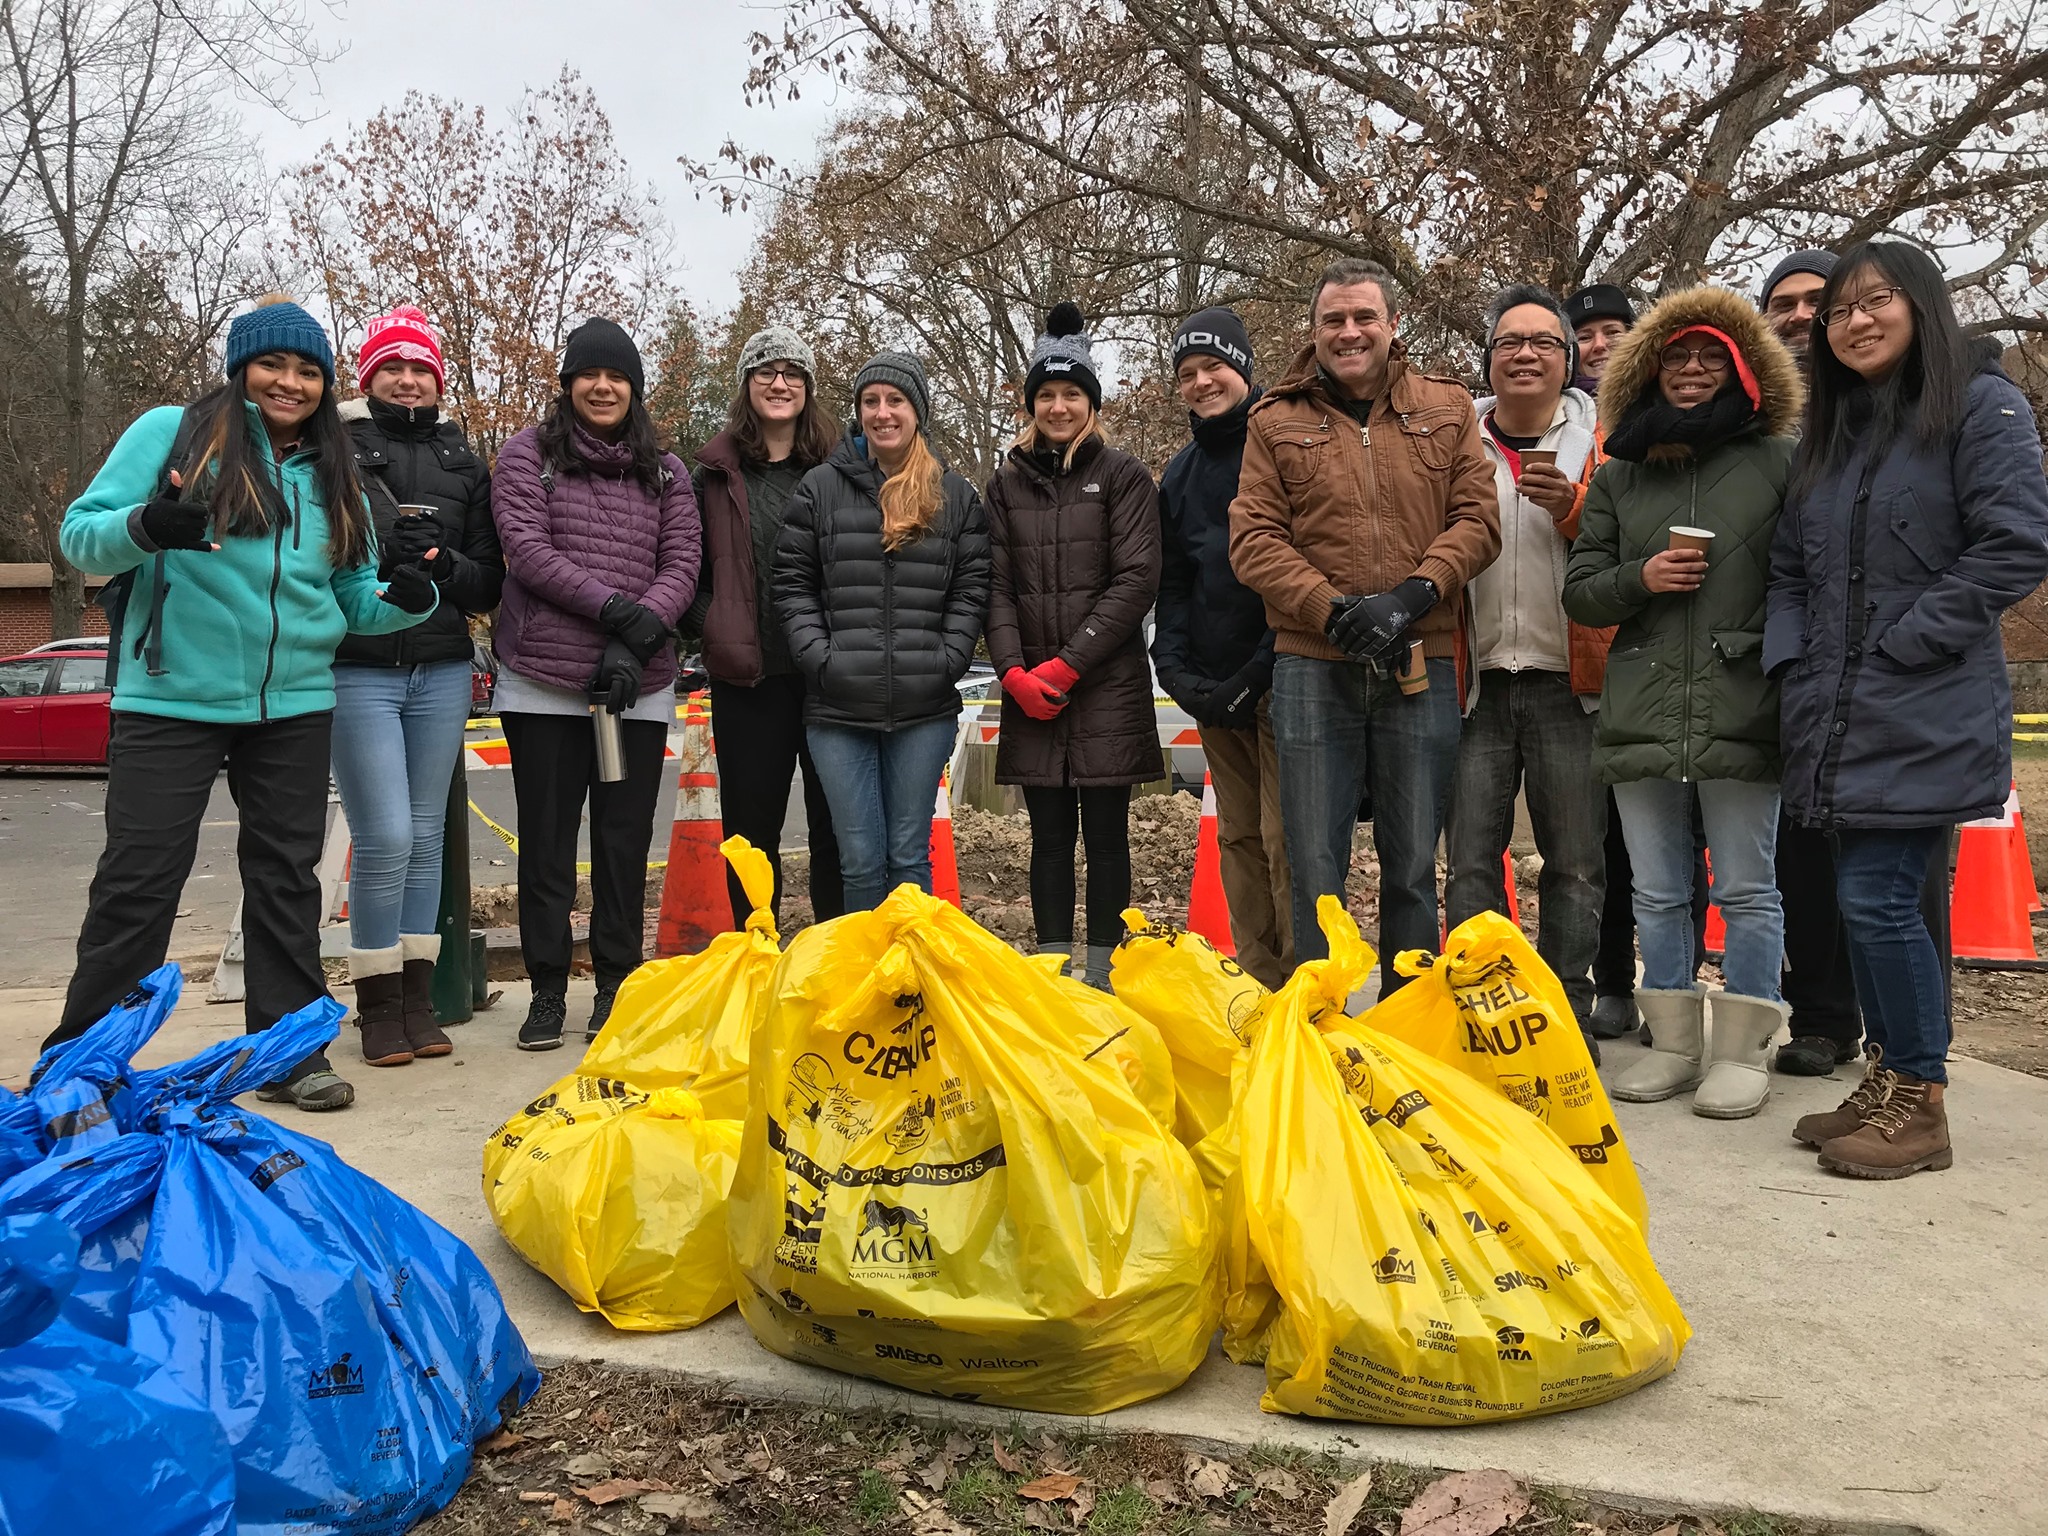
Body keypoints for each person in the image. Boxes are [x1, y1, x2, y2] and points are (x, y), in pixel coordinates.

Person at [47, 295, 437, 1111]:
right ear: (240, 369)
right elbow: (81, 536)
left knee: (286, 880)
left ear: (326, 385)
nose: (289, 383)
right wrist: (147, 525)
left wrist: (406, 596)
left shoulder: (340, 473)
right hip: (170, 699)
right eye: (272, 365)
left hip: (293, 704)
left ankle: (288, 1052)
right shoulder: (172, 434)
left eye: (307, 371)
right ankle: (82, 1065)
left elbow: (354, 598)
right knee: (139, 881)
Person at [1768, 240, 2048, 1176]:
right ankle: (1890, 1080)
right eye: (1841, 309)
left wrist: (1905, 643)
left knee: (1881, 900)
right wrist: (1796, 661)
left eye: (1876, 299)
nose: (1854, 320)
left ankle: (1920, 1101)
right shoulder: (1835, 434)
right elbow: (1792, 570)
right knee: (1865, 902)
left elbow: (2014, 543)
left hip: (1923, 698)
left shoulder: (1979, 405)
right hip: (1834, 705)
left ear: (1922, 305)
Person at [1563, 286, 1802, 1119]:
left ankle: (1744, 1049)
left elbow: (1805, 577)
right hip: (1644, 698)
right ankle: (1672, 1044)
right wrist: (1642, 578)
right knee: (1659, 888)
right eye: (1676, 356)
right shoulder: (1621, 473)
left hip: (1746, 694)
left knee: (1746, 886)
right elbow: (1581, 591)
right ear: (1648, 372)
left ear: (1744, 366)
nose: (1693, 369)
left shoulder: (1782, 459)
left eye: (1711, 355)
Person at [1230, 257, 1499, 988]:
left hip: (1422, 656)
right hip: (1313, 666)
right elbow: (1253, 538)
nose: (1349, 332)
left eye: (1363, 317)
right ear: (1314, 331)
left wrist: (1412, 595)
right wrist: (1331, 609)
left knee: (1413, 859)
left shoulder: (1447, 410)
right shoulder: (1274, 420)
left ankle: (1408, 1008)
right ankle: (1321, 1023)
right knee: (1316, 859)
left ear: (1392, 323)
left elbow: (1478, 520)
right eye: (1333, 321)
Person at [492, 318, 700, 1051]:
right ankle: (548, 988)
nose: (604, 386)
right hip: (543, 682)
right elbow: (527, 550)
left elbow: (683, 561)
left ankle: (618, 983)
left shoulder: (667, 472)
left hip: (635, 687)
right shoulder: (527, 458)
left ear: (634, 389)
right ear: (569, 384)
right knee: (546, 843)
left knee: (622, 842)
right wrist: (613, 610)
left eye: (618, 377)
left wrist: (635, 637)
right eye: (590, 375)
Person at [332, 305, 504, 1068]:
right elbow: (322, 557)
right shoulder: (331, 451)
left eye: (421, 369)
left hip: (440, 664)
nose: (408, 380)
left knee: (428, 836)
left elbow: (487, 580)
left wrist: (441, 567)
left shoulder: (465, 464)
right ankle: (373, 1006)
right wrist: (379, 570)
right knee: (386, 836)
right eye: (392, 367)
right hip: (358, 664)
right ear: (368, 378)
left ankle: (416, 1000)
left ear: (438, 380)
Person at [1443, 285, 1609, 1030]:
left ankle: (1569, 1009)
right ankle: (1482, 1012)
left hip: (1569, 684)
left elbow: (1629, 550)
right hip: (1472, 686)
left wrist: (1571, 507)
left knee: (1575, 864)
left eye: (1544, 341)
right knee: (1473, 862)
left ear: (1567, 359)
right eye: (1510, 341)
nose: (1526, 353)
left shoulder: (1604, 442)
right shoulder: (1454, 441)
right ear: (1489, 359)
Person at [985, 304, 1162, 990]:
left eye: (1072, 394)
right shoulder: (1005, 485)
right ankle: (1053, 972)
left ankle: (1103, 972)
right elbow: (995, 588)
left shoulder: (1123, 477)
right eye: (1047, 395)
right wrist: (1013, 670)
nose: (1059, 406)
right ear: (1031, 404)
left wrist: (1069, 662)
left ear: (1092, 401)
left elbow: (1137, 579)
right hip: (1031, 690)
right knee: (1049, 840)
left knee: (1108, 838)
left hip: (1105, 688)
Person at [773, 350, 990, 910]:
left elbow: (972, 587)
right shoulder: (820, 488)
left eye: (895, 400)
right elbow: (792, 583)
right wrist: (821, 658)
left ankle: (909, 988)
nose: (882, 412)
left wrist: (949, 659)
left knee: (908, 858)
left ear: (917, 411)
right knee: (861, 862)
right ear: (858, 411)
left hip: (924, 707)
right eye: (871, 401)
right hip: (838, 709)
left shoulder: (954, 494)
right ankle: (868, 988)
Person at [1152, 306, 1293, 988]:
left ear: (1242, 368)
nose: (1204, 382)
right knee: (1236, 837)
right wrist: (1175, 670)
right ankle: (1260, 979)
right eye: (1188, 374)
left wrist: (1258, 671)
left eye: (1214, 367)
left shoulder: (1283, 445)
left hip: (1284, 675)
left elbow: (1301, 564)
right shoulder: (1178, 476)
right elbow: (1173, 583)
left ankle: (1305, 986)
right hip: (1210, 686)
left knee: (1283, 836)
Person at [688, 326, 843, 928]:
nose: (779, 383)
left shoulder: (842, 468)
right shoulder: (711, 478)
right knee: (752, 836)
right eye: (765, 372)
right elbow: (685, 574)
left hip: (829, 679)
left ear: (807, 388)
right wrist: (717, 628)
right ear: (746, 385)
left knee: (836, 828)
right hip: (748, 683)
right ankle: (757, 958)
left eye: (792, 373)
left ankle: (834, 958)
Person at [1754, 249, 1865, 1076]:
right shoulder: (1757, 423)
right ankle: (1824, 1021)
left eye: (1815, 302)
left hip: (1889, 668)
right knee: (1802, 855)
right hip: (1789, 668)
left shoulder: (1888, 406)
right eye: (1783, 304)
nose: (1799, 316)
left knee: (1894, 860)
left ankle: (1908, 1037)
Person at [1564, 284, 1634, 396]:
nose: (1599, 345)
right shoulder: (1548, 409)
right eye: (1584, 337)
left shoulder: (1665, 397)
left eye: (1612, 332)